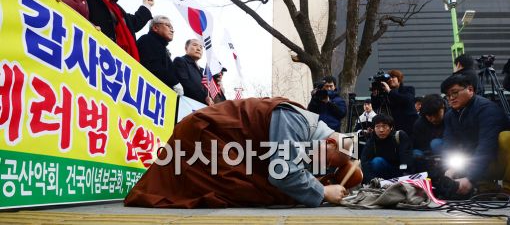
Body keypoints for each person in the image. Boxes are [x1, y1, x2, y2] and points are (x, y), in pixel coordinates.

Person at [124, 97, 362, 208]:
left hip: (223, 144)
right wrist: (322, 191)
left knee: (265, 191)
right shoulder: (295, 121)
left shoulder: (310, 136)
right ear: (330, 141)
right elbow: (283, 173)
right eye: (327, 161)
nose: (322, 166)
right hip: (205, 136)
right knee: (256, 191)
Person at [440, 74, 510, 197]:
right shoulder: (450, 115)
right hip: (479, 162)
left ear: (470, 90)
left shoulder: (487, 109)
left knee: (506, 137)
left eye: (454, 93)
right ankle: (485, 185)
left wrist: (470, 178)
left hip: (497, 160)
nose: (451, 98)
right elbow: (448, 145)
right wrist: (448, 170)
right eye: (448, 95)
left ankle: (507, 186)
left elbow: (487, 146)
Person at [86, 0, 153, 61]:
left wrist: (147, 5)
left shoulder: (118, 10)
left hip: (121, 66)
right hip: (91, 56)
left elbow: (135, 22)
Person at [136, 15, 183, 95]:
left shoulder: (163, 49)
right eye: (168, 26)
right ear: (155, 28)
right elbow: (153, 67)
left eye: (172, 27)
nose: (172, 30)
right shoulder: (147, 39)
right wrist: (174, 82)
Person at [361, 114, 413, 183]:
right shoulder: (371, 142)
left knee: (415, 154)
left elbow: (405, 156)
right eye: (377, 127)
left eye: (384, 126)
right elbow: (365, 162)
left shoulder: (399, 136)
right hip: (383, 173)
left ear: (391, 127)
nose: (381, 130)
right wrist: (371, 179)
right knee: (377, 161)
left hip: (400, 171)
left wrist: (404, 174)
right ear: (373, 129)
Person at [371, 69, 418, 137]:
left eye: (393, 77)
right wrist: (375, 95)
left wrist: (389, 91)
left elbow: (406, 100)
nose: (391, 79)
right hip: (395, 126)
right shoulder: (385, 93)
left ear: (399, 79)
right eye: (389, 78)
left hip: (409, 126)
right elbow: (376, 107)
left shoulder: (409, 89)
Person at [412, 94, 445, 172]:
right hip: (427, 154)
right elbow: (418, 144)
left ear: (442, 108)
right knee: (415, 153)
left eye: (436, 115)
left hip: (447, 153)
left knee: (435, 143)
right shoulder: (419, 124)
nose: (433, 119)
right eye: (429, 116)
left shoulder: (450, 117)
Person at [174, 39, 212, 105]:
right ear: (186, 48)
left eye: (201, 47)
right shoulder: (180, 61)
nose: (198, 49)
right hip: (185, 105)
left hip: (200, 108)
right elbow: (185, 84)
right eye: (195, 45)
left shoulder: (202, 71)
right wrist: (204, 97)